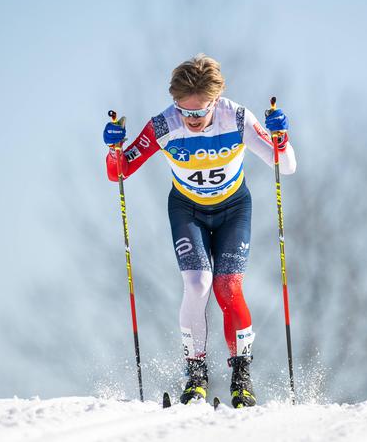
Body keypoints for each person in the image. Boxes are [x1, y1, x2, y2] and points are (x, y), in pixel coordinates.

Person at [103, 54, 296, 408]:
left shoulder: (235, 118)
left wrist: (280, 139)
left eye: (200, 111)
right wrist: (113, 149)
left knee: (227, 287)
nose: (192, 120)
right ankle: (196, 374)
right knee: (197, 285)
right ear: (175, 102)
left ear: (216, 100)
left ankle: (242, 377)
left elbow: (286, 165)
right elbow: (120, 171)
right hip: (187, 210)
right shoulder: (163, 125)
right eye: (185, 111)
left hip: (233, 209)